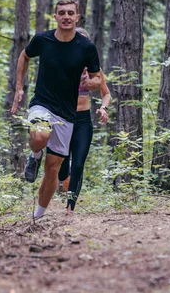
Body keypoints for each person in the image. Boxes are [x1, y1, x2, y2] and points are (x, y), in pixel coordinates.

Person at [10, 0, 102, 219]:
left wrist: (91, 83)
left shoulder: (86, 47)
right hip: (42, 104)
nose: (66, 17)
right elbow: (24, 56)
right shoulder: (43, 39)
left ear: (77, 17)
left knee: (53, 169)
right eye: (62, 12)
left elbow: (98, 79)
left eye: (71, 13)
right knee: (40, 135)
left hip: (68, 114)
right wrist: (19, 87)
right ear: (55, 16)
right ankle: (35, 153)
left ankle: (38, 217)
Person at [58, 28, 111, 213]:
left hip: (83, 120)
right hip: (63, 120)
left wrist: (104, 108)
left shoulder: (93, 70)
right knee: (62, 170)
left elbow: (106, 93)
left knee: (79, 164)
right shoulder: (61, 64)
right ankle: (65, 176)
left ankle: (70, 209)